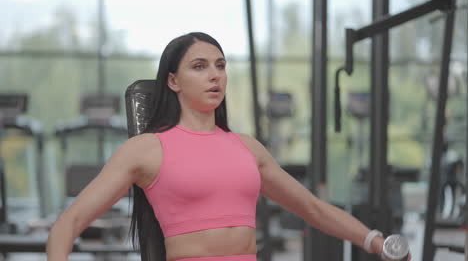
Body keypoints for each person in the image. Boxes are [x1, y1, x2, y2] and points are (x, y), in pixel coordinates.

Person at [46, 32, 404, 261]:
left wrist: (375, 241)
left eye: (220, 65)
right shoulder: (147, 149)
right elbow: (70, 221)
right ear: (173, 80)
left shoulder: (247, 148)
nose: (215, 75)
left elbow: (312, 208)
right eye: (199, 67)